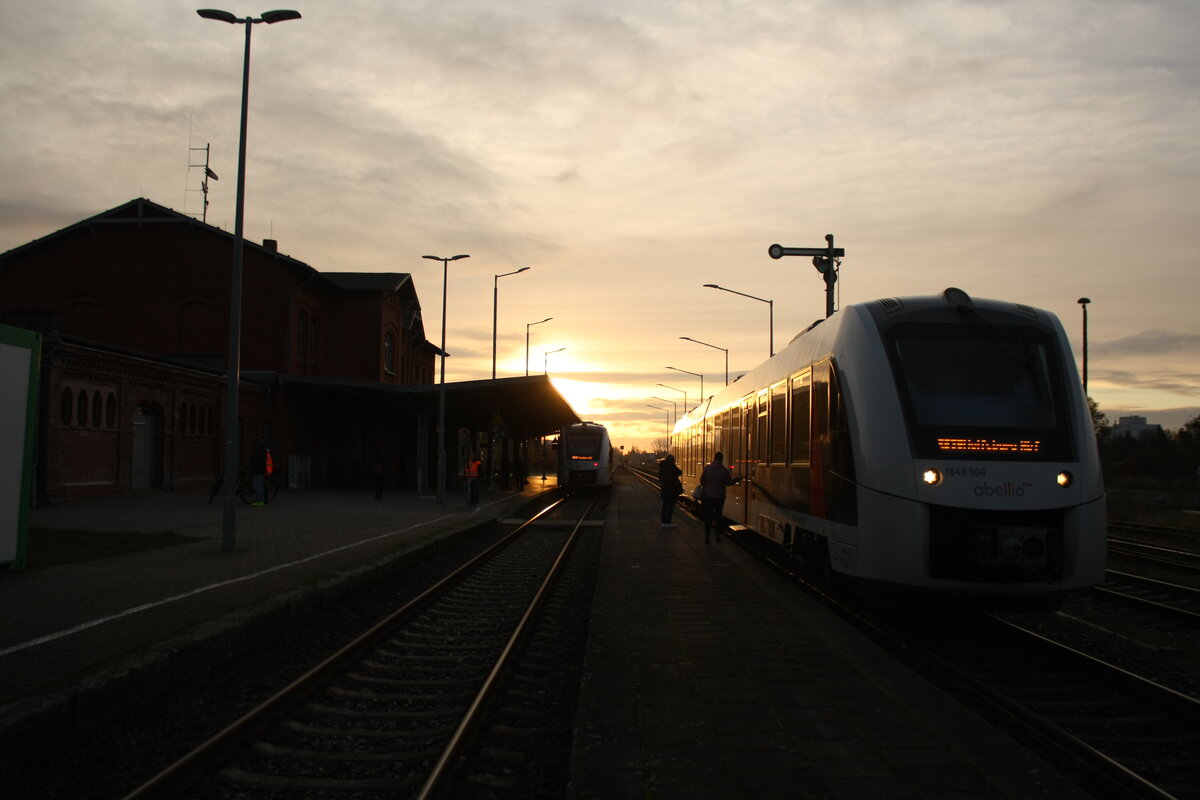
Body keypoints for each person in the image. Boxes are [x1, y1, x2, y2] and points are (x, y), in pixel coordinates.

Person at [699, 451, 738, 543]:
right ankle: (717, 536)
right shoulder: (724, 471)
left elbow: (702, 480)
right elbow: (728, 483)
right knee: (718, 516)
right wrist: (735, 480)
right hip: (719, 497)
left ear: (714, 458)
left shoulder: (707, 468)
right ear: (722, 459)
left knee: (709, 516)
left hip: (708, 496)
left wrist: (706, 487)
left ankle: (707, 537)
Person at [658, 454, 683, 529]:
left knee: (665, 507)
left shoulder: (662, 467)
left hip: (664, 490)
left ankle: (663, 522)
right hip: (671, 491)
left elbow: (660, 478)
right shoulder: (671, 466)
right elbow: (679, 472)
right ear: (672, 461)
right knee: (670, 507)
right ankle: (668, 522)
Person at [249, 439, 268, 507]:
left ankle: (259, 500)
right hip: (261, 470)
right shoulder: (263, 451)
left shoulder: (257, 450)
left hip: (256, 470)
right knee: (260, 486)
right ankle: (261, 500)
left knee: (257, 486)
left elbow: (254, 459)